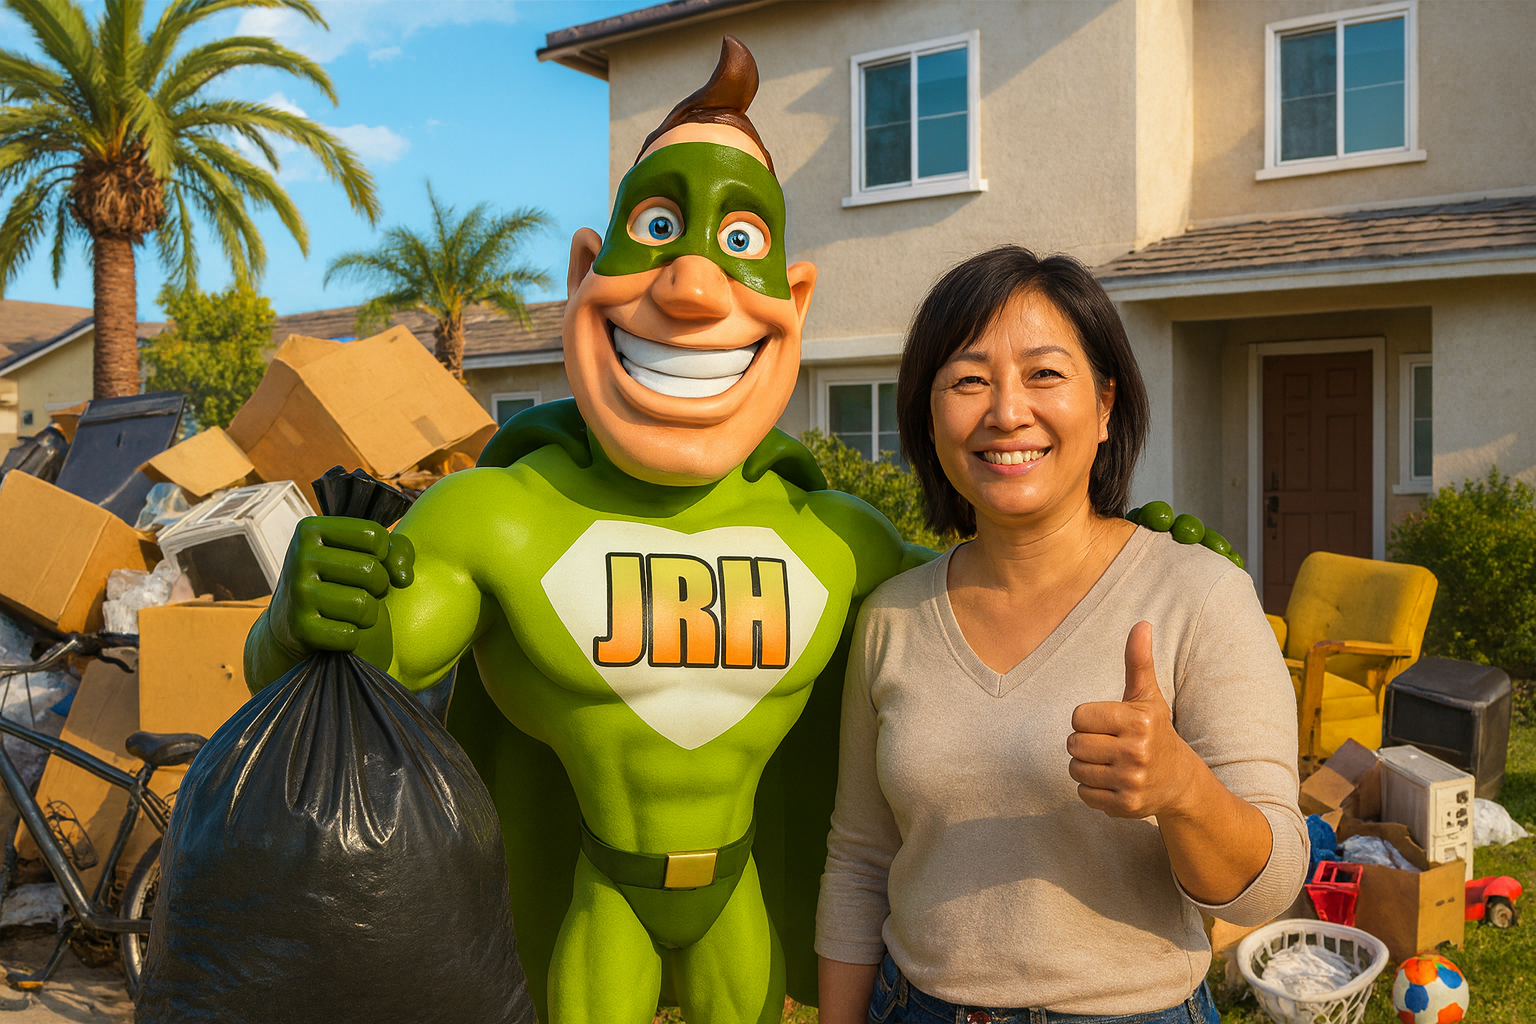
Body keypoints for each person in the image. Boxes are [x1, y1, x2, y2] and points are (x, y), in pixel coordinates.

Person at [244, 38, 930, 1024]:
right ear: (583, 271)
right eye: (656, 225)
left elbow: (996, 615)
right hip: (601, 889)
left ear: (796, 298)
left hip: (739, 893)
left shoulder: (836, 537)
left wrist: (1132, 555)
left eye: (741, 242)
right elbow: (369, 660)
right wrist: (304, 613)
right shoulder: (499, 515)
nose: (692, 289)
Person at [815, 247, 1305, 1024]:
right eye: (968, 380)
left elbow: (1272, 882)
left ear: (1106, 405)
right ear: (929, 417)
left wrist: (1183, 791)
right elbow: (860, 860)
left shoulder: (1199, 596)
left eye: (1045, 374)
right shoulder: (892, 616)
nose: (1007, 411)